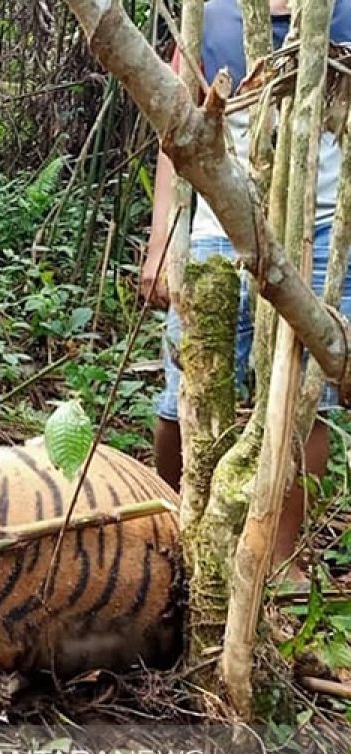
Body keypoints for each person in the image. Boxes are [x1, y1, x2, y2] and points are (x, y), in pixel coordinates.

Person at [142, 0, 351, 585]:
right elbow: (175, 131)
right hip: (218, 227)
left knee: (309, 402)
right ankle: (172, 530)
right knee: (186, 388)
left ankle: (283, 562)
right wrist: (163, 237)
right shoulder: (208, 17)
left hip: (326, 233)